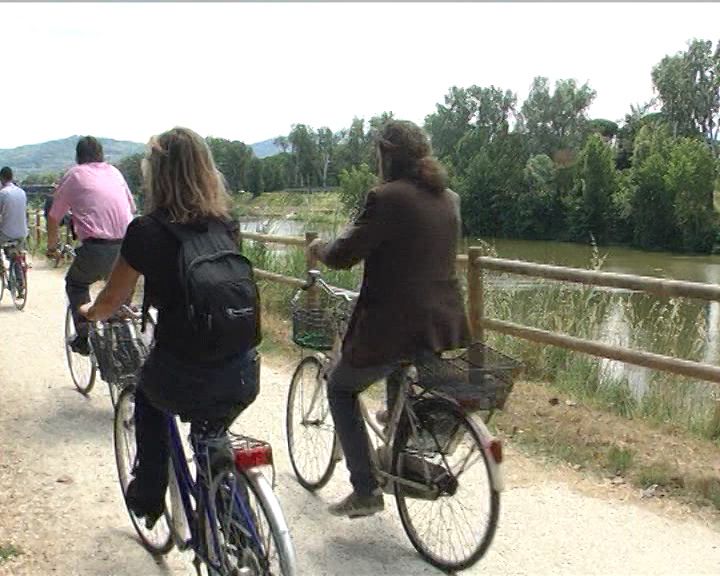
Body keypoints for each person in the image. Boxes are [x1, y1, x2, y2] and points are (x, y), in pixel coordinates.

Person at [79, 127, 259, 527]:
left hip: (185, 371)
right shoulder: (227, 222)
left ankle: (148, 495)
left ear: (156, 175)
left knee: (148, 395)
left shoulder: (147, 230)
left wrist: (89, 313)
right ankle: (239, 524)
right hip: (244, 367)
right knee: (212, 431)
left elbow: (113, 300)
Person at [307, 120, 470, 518]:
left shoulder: (386, 197)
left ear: (385, 154)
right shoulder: (449, 198)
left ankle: (365, 489)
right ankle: (397, 458)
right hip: (441, 324)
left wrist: (318, 247)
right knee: (399, 380)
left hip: (392, 327)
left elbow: (345, 254)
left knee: (340, 387)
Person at [46, 136, 136, 356]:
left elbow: (53, 216)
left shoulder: (74, 175)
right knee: (120, 297)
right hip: (130, 246)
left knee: (75, 284)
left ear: (78, 156)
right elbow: (131, 208)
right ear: (101, 154)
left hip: (97, 247)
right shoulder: (115, 172)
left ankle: (84, 338)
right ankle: (127, 348)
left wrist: (52, 246)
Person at [0, 167, 29, 296]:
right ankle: (20, 282)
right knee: (15, 254)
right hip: (22, 232)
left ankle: (2, 269)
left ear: (2, 178)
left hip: (6, 233)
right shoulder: (22, 192)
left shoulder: (2, 193)